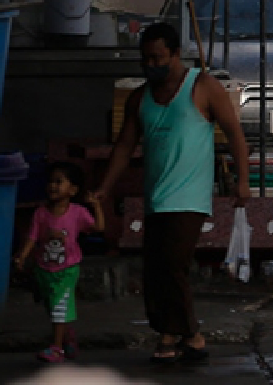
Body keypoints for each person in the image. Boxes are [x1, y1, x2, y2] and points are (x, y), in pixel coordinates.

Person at [93, 22, 252, 368]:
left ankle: (183, 333)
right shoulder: (140, 98)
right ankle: (178, 334)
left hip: (190, 196)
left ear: (176, 54)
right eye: (146, 59)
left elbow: (235, 135)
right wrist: (105, 187)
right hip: (156, 196)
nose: (152, 65)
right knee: (155, 268)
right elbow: (124, 146)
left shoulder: (203, 87)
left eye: (158, 58)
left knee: (172, 264)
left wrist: (243, 182)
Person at [12, 159, 105, 364]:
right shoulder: (41, 213)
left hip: (67, 269)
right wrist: (22, 256)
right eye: (50, 181)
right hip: (44, 269)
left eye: (58, 181)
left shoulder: (78, 213)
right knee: (51, 305)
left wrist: (96, 206)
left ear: (72, 190)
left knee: (59, 307)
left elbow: (98, 228)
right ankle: (67, 334)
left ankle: (56, 348)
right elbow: (32, 237)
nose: (52, 186)